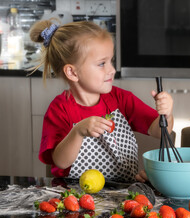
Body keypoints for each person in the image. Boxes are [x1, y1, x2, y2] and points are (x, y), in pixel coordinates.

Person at [29, 19, 174, 182]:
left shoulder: (121, 99)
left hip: (122, 195)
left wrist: (166, 114)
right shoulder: (59, 109)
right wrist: (78, 132)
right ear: (72, 72)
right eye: (101, 64)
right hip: (76, 197)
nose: (112, 70)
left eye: (111, 61)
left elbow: (162, 132)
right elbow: (61, 162)